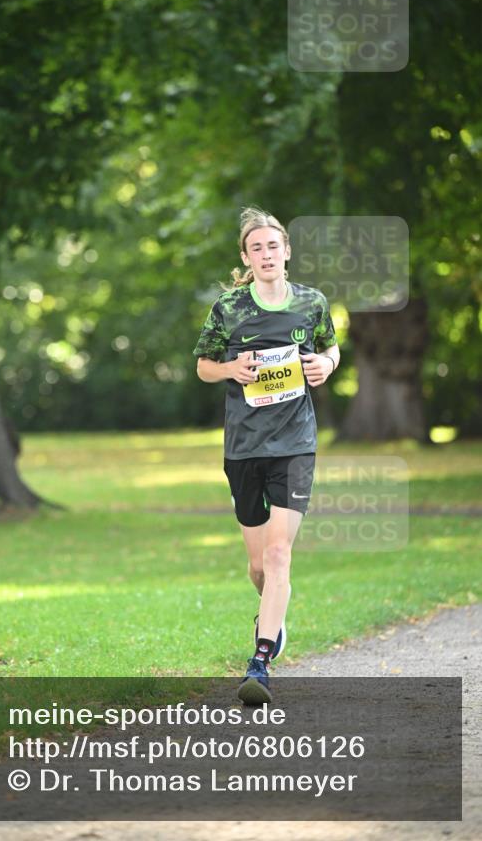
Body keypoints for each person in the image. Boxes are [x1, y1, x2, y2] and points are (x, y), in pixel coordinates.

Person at [193, 207, 340, 704]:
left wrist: (325, 363)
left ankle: (260, 662)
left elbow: (330, 350)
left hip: (295, 443)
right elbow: (203, 368)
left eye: (273, 246)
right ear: (246, 257)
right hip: (244, 447)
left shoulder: (312, 303)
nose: (266, 254)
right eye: (256, 248)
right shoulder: (228, 309)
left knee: (280, 554)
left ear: (286, 251)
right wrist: (232, 367)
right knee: (258, 567)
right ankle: (271, 614)